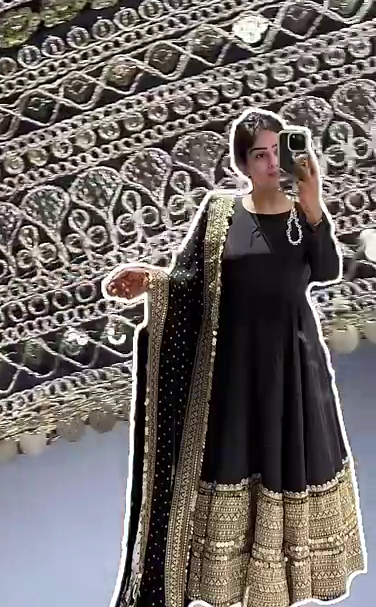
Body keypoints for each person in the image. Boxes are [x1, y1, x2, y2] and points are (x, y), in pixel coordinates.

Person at [102, 109, 366, 607]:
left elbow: (327, 269)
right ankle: (230, 575)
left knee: (291, 458)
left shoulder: (300, 217)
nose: (270, 163)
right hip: (234, 368)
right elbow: (190, 281)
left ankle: (288, 575)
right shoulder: (221, 212)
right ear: (243, 164)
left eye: (277, 152)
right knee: (237, 458)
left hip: (292, 363)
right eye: (259, 155)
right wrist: (152, 280)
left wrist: (313, 204)